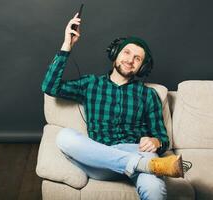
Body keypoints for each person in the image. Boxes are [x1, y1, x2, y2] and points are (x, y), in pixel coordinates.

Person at [41, 13, 191, 200]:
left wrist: (156, 142)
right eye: (126, 53)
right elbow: (49, 86)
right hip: (100, 161)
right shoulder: (91, 84)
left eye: (137, 58)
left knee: (154, 188)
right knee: (64, 137)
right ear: (115, 55)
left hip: (137, 150)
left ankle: (140, 164)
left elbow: (162, 137)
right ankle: (139, 164)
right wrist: (67, 46)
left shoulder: (149, 95)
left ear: (142, 67)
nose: (130, 60)